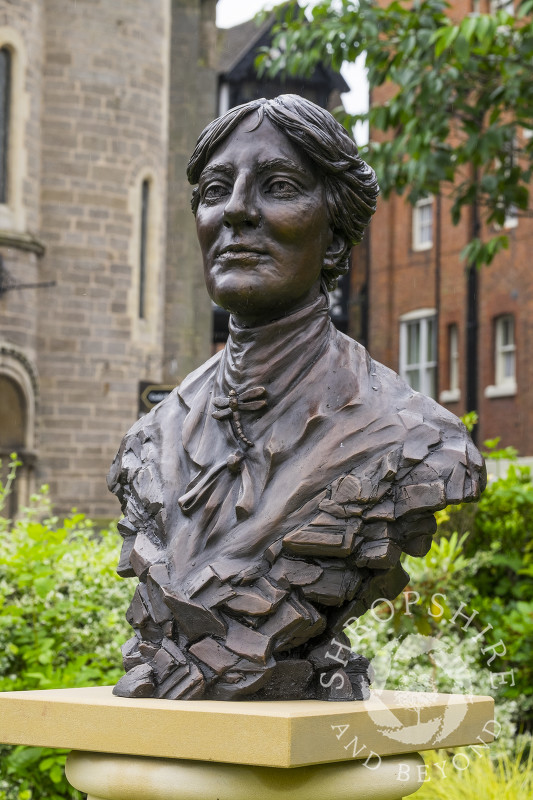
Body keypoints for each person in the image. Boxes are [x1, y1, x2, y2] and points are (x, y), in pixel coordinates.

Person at [108, 95, 485, 701]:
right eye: (214, 191)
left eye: (278, 187)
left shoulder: (417, 442)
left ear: (334, 239)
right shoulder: (149, 439)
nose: (236, 212)